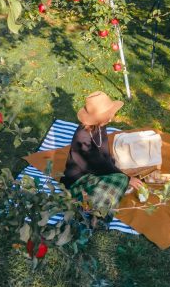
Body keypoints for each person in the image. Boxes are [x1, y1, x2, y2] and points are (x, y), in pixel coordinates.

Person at [60, 91, 144, 221]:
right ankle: (95, 212)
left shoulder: (100, 126)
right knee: (120, 180)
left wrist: (113, 165)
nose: (110, 118)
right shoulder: (83, 137)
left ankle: (94, 202)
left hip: (94, 172)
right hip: (78, 180)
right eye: (107, 115)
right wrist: (127, 178)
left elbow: (104, 152)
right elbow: (98, 164)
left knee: (118, 172)